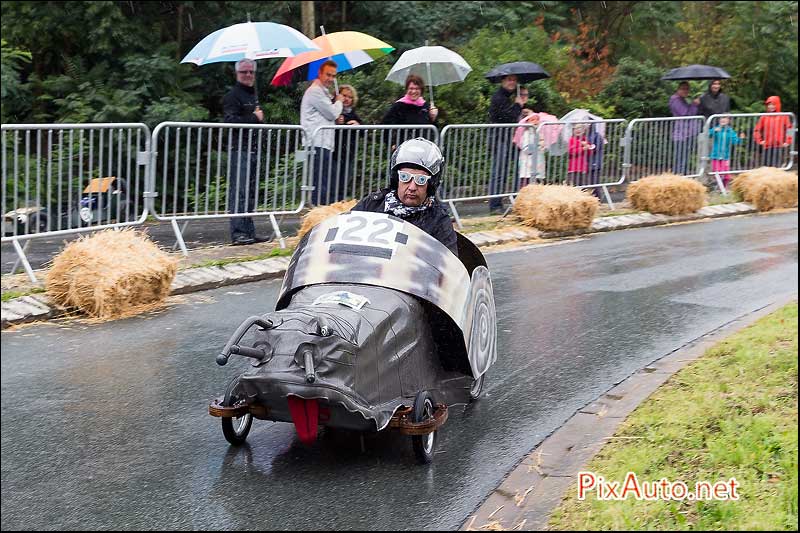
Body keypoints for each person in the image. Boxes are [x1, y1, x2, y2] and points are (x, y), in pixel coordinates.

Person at [352, 137, 458, 257]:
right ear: (396, 179)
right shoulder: (372, 204)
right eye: (405, 177)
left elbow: (450, 268)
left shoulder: (438, 220)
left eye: (421, 180)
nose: (412, 187)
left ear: (431, 184)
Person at [222, 58, 270, 245]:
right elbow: (230, 121)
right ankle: (238, 233)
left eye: (251, 71)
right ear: (237, 74)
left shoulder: (252, 94)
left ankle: (249, 231)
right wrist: (254, 117)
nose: (248, 75)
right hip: (239, 149)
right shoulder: (233, 96)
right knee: (239, 192)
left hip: (252, 149)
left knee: (250, 192)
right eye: (244, 72)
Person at [301, 60, 344, 205]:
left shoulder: (322, 92)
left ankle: (320, 209)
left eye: (333, 76)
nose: (331, 79)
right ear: (319, 73)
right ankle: (317, 212)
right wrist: (339, 102)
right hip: (317, 143)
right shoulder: (315, 91)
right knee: (320, 183)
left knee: (324, 182)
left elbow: (328, 116)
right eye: (328, 75)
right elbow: (331, 113)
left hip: (323, 143)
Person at [487, 76, 527, 213]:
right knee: (499, 172)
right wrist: (517, 105)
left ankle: (515, 201)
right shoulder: (499, 97)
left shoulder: (509, 96)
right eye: (508, 80)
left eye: (514, 80)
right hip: (499, 138)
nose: (511, 82)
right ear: (502, 81)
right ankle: (495, 205)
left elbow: (513, 116)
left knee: (514, 170)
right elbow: (508, 117)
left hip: (509, 138)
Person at [332, 84, 363, 202]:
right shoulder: (334, 110)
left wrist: (358, 125)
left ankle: (340, 204)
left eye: (349, 97)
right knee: (332, 181)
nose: (346, 99)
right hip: (334, 152)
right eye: (344, 95)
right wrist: (336, 122)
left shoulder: (353, 114)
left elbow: (364, 131)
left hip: (348, 154)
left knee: (343, 181)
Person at [668, 81, 701, 175]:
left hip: (687, 133)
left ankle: (683, 177)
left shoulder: (682, 99)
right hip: (681, 134)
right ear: (678, 89)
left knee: (685, 157)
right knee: (680, 158)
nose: (685, 91)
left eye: (687, 89)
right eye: (683, 89)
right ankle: (678, 177)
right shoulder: (675, 100)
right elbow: (685, 113)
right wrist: (694, 104)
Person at [753, 96, 792, 167]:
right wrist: (760, 140)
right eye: (769, 104)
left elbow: (789, 129)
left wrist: (788, 141)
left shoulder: (784, 116)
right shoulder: (764, 117)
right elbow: (757, 130)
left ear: (777, 105)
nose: (771, 106)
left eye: (773, 104)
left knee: (777, 167)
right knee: (766, 167)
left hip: (779, 146)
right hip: (767, 146)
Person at [708, 116, 745, 186]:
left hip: (725, 157)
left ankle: (724, 188)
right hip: (715, 156)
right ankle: (719, 188)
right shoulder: (716, 129)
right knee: (717, 172)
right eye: (722, 118)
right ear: (719, 120)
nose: (723, 120)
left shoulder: (730, 131)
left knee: (726, 176)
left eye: (725, 118)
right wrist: (713, 131)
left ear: (728, 121)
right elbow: (708, 134)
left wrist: (741, 139)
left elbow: (735, 141)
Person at [514, 112, 546, 188]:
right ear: (527, 122)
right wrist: (538, 145)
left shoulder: (539, 134)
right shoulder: (526, 134)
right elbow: (526, 149)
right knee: (527, 186)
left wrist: (543, 145)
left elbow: (543, 150)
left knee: (538, 186)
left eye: (537, 119)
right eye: (532, 120)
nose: (535, 121)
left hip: (538, 165)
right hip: (527, 167)